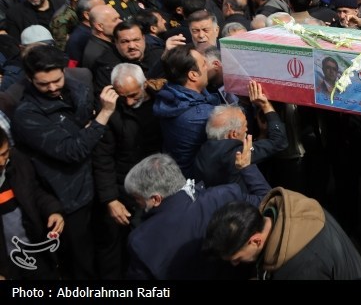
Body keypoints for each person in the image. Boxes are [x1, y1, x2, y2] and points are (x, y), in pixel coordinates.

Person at [12, 45, 118, 279]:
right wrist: (102, 116)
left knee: (109, 252)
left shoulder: (79, 88)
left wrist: (88, 131)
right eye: (43, 84)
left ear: (64, 71)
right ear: (29, 79)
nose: (52, 88)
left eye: (56, 80)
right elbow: (72, 150)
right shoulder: (27, 115)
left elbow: (88, 137)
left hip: (98, 185)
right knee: (80, 264)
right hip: (68, 198)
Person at [124, 152, 270, 280]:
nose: (137, 205)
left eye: (138, 199)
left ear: (156, 199)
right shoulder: (223, 196)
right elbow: (268, 201)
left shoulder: (141, 240)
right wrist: (247, 167)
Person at [203, 187, 361, 280]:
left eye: (237, 258)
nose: (235, 264)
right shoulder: (291, 213)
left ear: (255, 241)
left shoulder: (299, 269)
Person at [92, 62, 163, 279]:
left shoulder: (161, 102)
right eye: (124, 97)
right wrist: (110, 199)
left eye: (134, 95)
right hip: (124, 190)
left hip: (157, 185)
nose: (130, 102)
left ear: (144, 85)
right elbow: (102, 158)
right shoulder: (111, 112)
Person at [0, 127, 64, 280]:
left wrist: (53, 211)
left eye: (4, 154)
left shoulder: (17, 162)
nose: (1, 162)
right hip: (5, 264)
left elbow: (34, 192)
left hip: (33, 250)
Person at [153, 45, 217, 177]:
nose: (208, 67)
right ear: (193, 75)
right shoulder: (201, 115)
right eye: (204, 64)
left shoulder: (169, 93)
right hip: (195, 179)